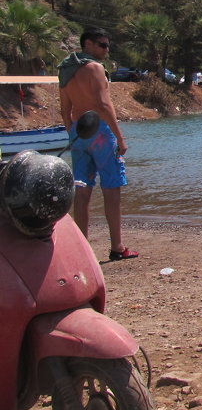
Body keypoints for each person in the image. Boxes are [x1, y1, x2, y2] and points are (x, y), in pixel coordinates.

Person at [58, 27, 136, 261]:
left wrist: (72, 133)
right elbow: (103, 105)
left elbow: (65, 109)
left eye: (107, 44)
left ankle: (83, 250)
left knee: (82, 190)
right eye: (102, 45)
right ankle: (117, 247)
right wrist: (119, 138)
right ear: (88, 45)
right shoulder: (95, 68)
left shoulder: (66, 69)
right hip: (100, 132)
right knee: (112, 188)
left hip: (78, 131)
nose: (106, 49)